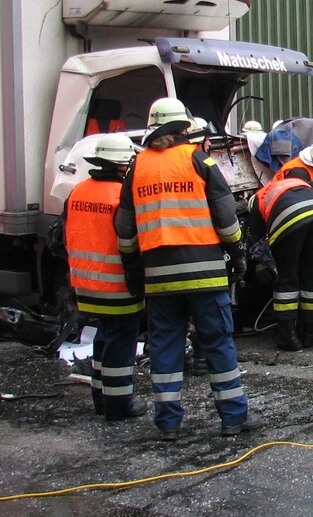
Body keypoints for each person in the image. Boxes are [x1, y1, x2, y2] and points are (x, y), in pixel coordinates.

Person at [115, 97, 261, 441]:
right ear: (183, 128)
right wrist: (237, 252)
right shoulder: (199, 159)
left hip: (159, 277)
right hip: (206, 272)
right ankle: (233, 418)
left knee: (165, 347)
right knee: (217, 343)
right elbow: (225, 216)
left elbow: (125, 228)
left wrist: (133, 268)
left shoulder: (137, 167)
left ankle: (168, 424)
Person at [64, 133, 147, 422]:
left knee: (104, 335)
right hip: (118, 285)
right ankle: (118, 403)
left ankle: (100, 397)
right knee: (121, 342)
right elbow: (132, 241)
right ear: (124, 165)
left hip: (86, 285)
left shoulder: (78, 191)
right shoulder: (122, 196)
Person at [249, 177, 313, 350]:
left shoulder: (258, 198)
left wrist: (261, 263)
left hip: (289, 218)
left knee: (287, 276)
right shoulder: (295, 183)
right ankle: (309, 333)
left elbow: (256, 238)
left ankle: (288, 336)